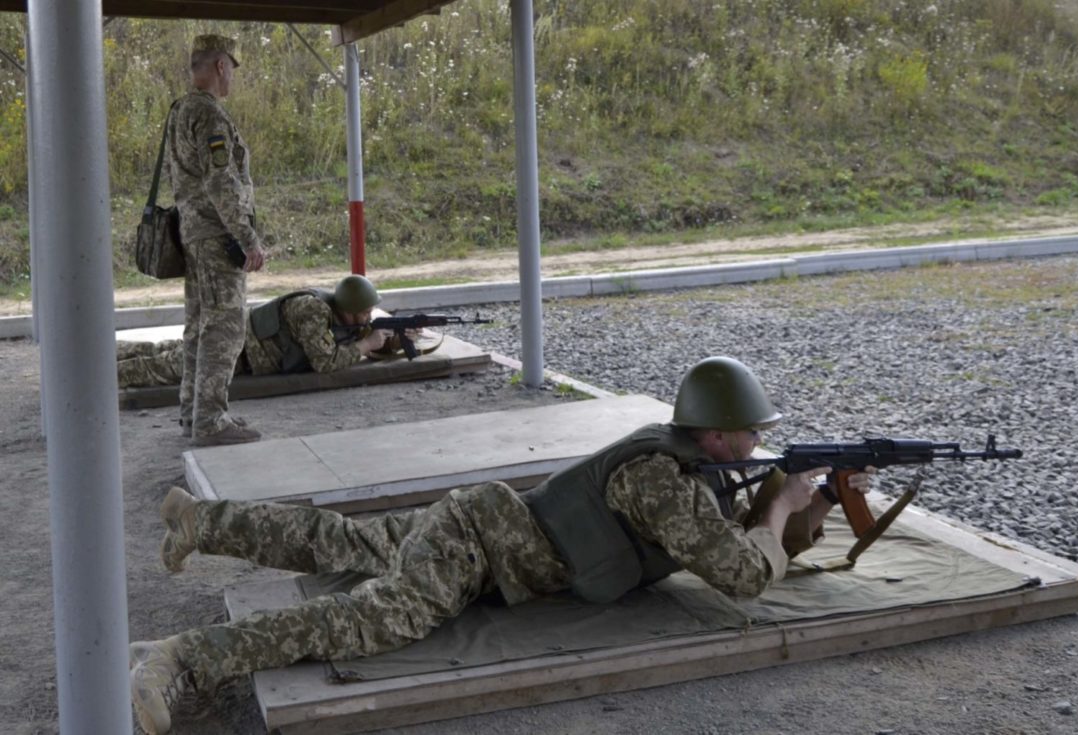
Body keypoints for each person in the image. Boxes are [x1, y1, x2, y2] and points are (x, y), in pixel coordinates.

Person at [128, 356, 873, 734]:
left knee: (345, 539)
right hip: (480, 542)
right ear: (717, 434)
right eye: (751, 432)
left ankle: (205, 520)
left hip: (487, 528)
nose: (756, 441)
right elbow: (742, 572)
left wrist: (813, 501)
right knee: (369, 620)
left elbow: (731, 540)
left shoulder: (683, 462)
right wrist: (782, 504)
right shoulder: (662, 480)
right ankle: (185, 656)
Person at [169, 34, 268, 446]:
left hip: (194, 233)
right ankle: (210, 421)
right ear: (221, 66)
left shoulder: (180, 109)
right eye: (232, 68)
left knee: (198, 325)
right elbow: (221, 182)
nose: (232, 79)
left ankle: (194, 412)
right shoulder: (209, 115)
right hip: (216, 236)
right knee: (224, 327)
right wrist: (248, 239)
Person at [116, 275, 397, 390]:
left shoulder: (335, 311)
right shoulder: (314, 312)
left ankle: (107, 353)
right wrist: (365, 346)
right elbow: (325, 362)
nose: (367, 318)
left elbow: (349, 334)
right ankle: (98, 376)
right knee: (160, 369)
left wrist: (392, 335)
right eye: (363, 312)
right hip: (234, 350)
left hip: (234, 337)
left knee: (161, 352)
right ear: (347, 308)